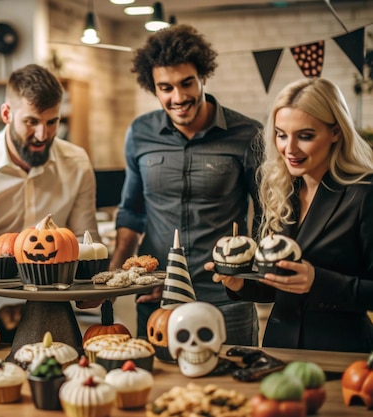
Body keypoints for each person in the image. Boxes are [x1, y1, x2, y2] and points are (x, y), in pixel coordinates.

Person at [110, 24, 263, 345]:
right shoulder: (140, 132)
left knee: (234, 389)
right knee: (159, 390)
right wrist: (114, 281)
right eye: (165, 88)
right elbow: (132, 213)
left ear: (203, 76)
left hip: (226, 295)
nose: (178, 97)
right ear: (153, 88)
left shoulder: (248, 134)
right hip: (157, 291)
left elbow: (265, 215)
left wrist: (253, 281)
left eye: (186, 83)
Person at [0, 63, 100, 342]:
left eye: (52, 122)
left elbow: (86, 237)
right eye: (31, 122)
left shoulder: (77, 162)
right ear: (6, 114)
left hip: (55, 302)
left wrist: (92, 281)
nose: (43, 135)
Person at [211, 78, 373, 352]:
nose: (289, 148)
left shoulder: (364, 193)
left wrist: (318, 281)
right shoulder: (280, 189)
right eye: (281, 134)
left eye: (305, 135)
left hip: (342, 354)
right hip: (278, 350)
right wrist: (240, 284)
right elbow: (278, 284)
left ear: (335, 132)